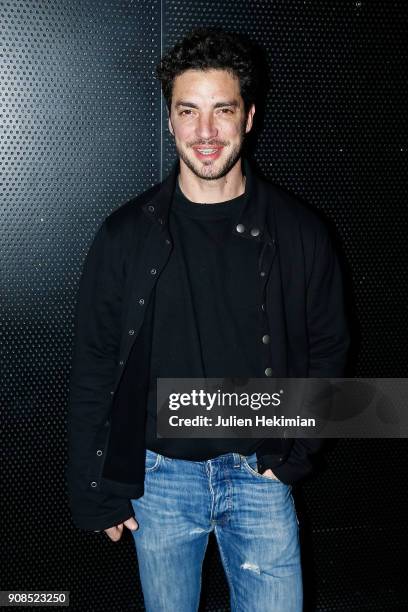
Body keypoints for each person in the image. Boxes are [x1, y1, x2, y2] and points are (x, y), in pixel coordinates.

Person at [67, 27, 349, 612]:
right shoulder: (125, 236)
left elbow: (329, 350)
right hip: (160, 481)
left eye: (222, 110)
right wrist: (98, 489)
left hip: (261, 476)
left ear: (248, 117)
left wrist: (295, 454)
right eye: (188, 111)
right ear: (169, 119)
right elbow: (96, 366)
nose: (205, 132)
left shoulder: (300, 232)